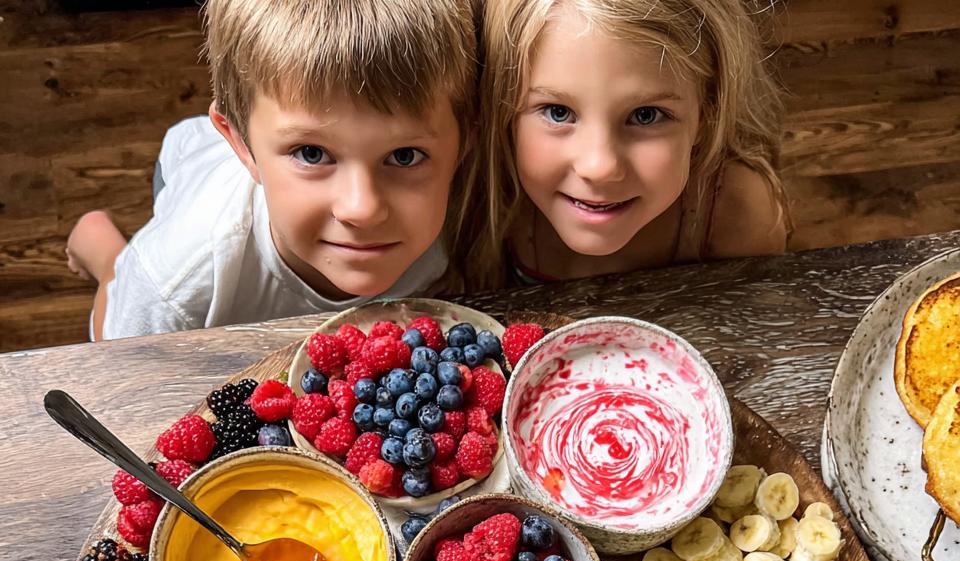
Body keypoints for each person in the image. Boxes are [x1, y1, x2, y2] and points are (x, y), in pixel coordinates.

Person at [65, 0, 478, 340]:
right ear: (241, 145)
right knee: (122, 281)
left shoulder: (475, 217)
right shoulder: (174, 279)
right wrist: (119, 278)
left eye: (404, 156)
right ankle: (100, 246)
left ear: (465, 143)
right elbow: (117, 358)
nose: (361, 209)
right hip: (186, 167)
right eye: (312, 154)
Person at [463, 0, 788, 289]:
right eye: (558, 112)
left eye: (646, 115)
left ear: (707, 116)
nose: (599, 167)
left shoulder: (734, 212)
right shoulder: (486, 201)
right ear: (502, 109)